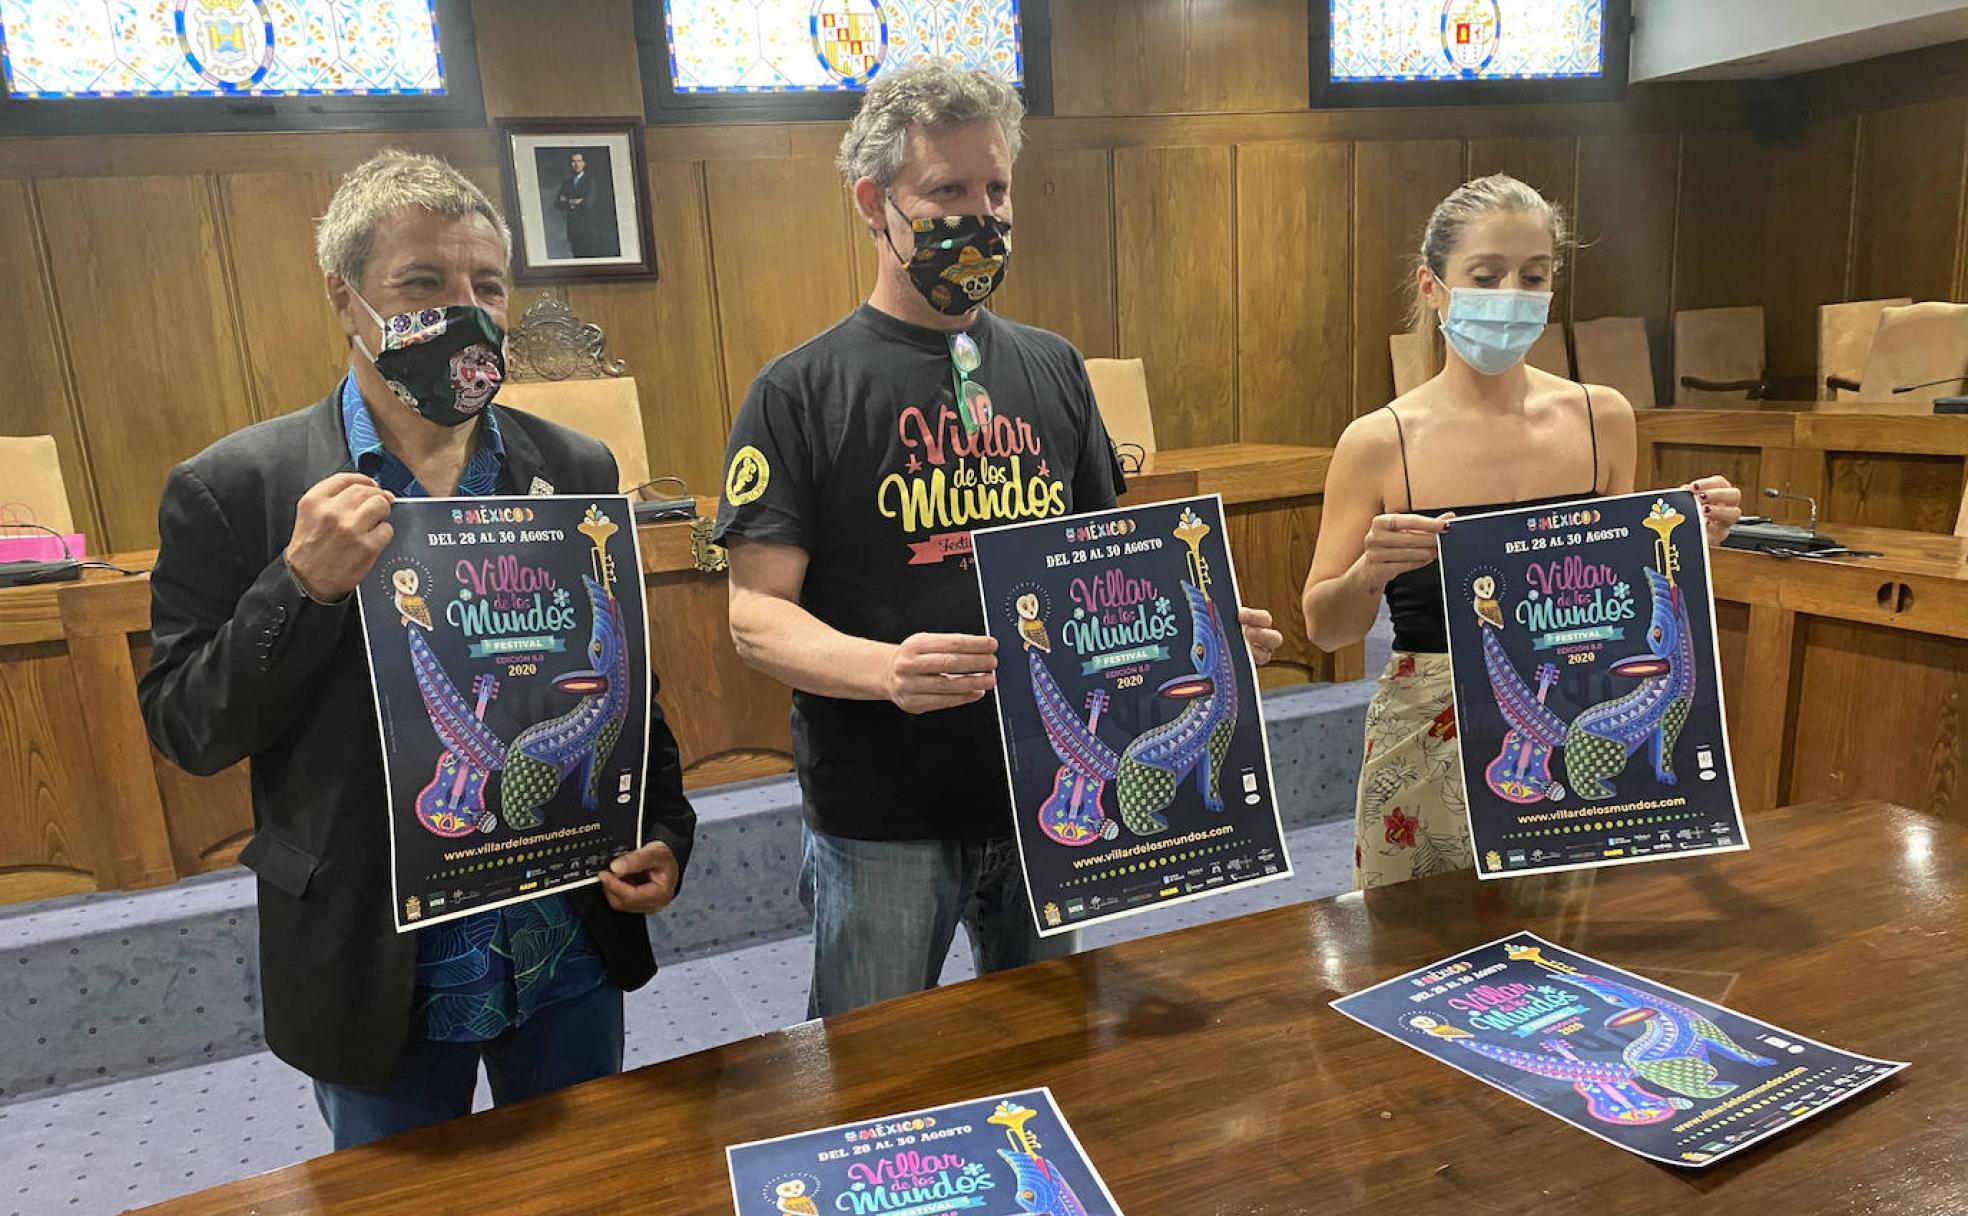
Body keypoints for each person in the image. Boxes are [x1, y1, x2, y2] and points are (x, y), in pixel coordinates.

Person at [138, 149, 696, 1149]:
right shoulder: (234, 489)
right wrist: (297, 586)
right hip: (379, 960)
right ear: (344, 299)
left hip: (562, 934)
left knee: (585, 1185)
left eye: (487, 285)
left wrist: (662, 825)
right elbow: (185, 725)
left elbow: (623, 687)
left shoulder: (573, 467)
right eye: (423, 284)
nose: (466, 311)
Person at [714, 62, 1285, 1019]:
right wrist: (884, 668)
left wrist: (1212, 643)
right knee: (875, 1078)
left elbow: (1111, 571)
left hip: (1053, 794)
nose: (980, 217)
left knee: (1049, 1052)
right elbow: (754, 615)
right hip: (885, 812)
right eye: (946, 192)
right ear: (873, 202)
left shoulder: (1054, 366)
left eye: (996, 190)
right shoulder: (798, 390)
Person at [1296, 173, 1742, 890]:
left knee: (1558, 954)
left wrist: (1684, 547)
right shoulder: (1379, 441)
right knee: (1413, 956)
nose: (1511, 294)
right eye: (1485, 274)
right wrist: (1369, 572)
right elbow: (1324, 627)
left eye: (1533, 276)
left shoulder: (1603, 418)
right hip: (1428, 732)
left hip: (1576, 718)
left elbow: (1622, 599)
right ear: (1432, 287)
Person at [554, 150, 615, 258]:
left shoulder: (590, 180)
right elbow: (558, 204)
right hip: (573, 228)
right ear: (570, 164)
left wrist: (568, 200)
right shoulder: (566, 183)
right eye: (573, 161)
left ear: (584, 163)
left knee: (589, 258)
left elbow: (588, 202)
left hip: (588, 227)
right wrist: (573, 201)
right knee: (576, 257)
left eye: (579, 161)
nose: (576, 164)